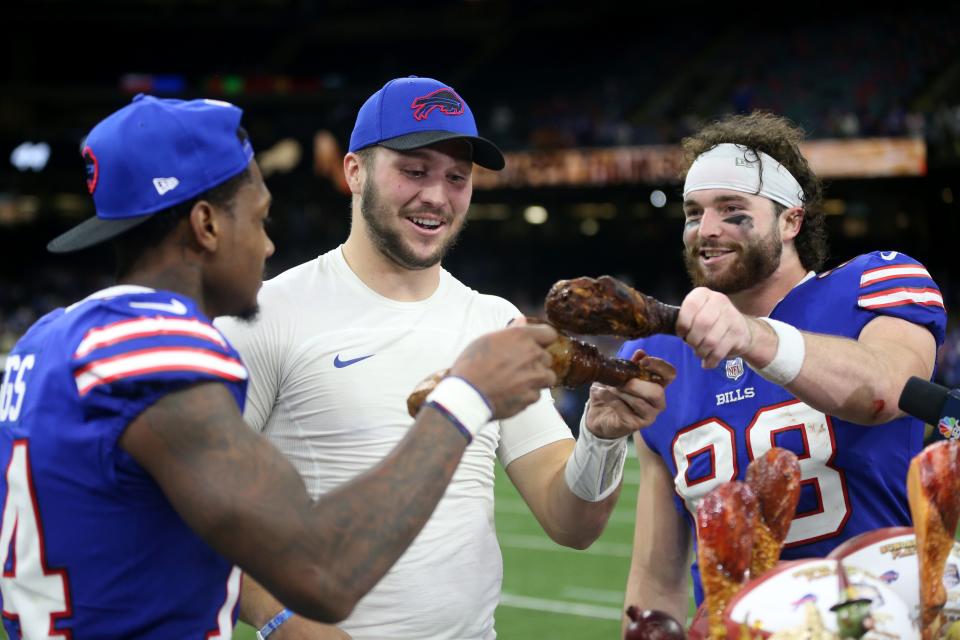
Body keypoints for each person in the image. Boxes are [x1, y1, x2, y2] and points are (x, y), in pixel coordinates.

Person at [0, 94, 562, 639]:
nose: (268, 246)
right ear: (207, 225)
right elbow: (325, 572)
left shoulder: (44, 341)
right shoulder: (156, 351)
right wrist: (467, 392)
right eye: (260, 218)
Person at [216, 75, 673, 640]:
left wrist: (601, 439)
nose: (437, 195)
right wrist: (278, 618)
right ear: (354, 172)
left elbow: (571, 522)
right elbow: (193, 511)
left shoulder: (491, 321)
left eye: (457, 177)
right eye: (414, 170)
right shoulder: (265, 316)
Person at [606, 111, 947, 629]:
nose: (708, 229)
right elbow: (658, 576)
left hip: (878, 619)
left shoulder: (873, 282)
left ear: (791, 220)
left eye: (732, 209)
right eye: (694, 211)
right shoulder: (658, 356)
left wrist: (753, 336)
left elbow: (887, 388)